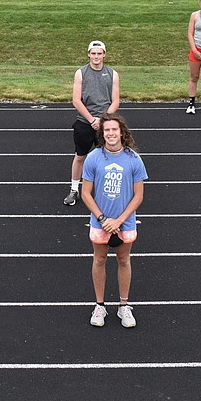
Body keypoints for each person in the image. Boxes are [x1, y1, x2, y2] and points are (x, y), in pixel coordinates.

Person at [80, 113, 147, 328]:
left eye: (114, 130)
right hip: (100, 221)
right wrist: (102, 218)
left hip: (124, 222)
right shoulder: (93, 157)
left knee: (123, 260)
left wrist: (118, 220)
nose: (110, 133)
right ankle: (99, 305)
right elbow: (86, 194)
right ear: (102, 133)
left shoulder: (134, 159)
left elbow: (138, 196)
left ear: (121, 132)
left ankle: (124, 306)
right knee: (99, 260)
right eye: (106, 130)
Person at [64, 40, 120, 206]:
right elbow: (76, 100)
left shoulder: (113, 74)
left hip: (106, 123)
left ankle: (105, 191)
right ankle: (74, 189)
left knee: (107, 157)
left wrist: (102, 120)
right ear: (88, 54)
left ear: (104, 55)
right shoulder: (80, 73)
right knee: (80, 157)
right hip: (84, 122)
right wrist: (91, 120)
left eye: (99, 53)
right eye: (93, 53)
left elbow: (115, 101)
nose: (96, 56)